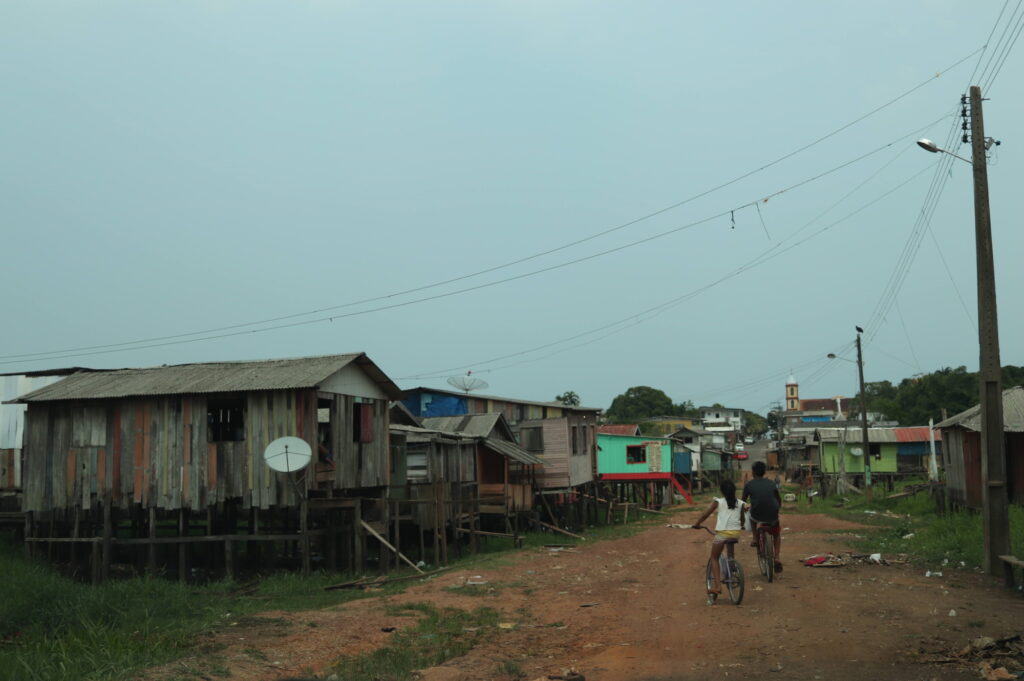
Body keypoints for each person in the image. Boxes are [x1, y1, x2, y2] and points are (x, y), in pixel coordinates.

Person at [692, 479, 747, 598]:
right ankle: (732, 566)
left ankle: (717, 586)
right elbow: (742, 519)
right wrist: (741, 525)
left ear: (722, 492)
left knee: (714, 557)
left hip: (722, 535)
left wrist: (697, 524)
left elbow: (705, 514)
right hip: (735, 533)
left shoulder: (718, 502)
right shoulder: (741, 503)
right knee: (730, 548)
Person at [743, 460, 783, 572]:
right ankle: (777, 557)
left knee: (751, 517)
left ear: (753, 472)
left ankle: (755, 538)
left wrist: (745, 507)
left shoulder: (749, 485)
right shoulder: (771, 483)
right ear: (764, 472)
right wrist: (778, 508)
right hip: (773, 513)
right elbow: (778, 498)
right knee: (776, 534)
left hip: (757, 513)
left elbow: (743, 501)